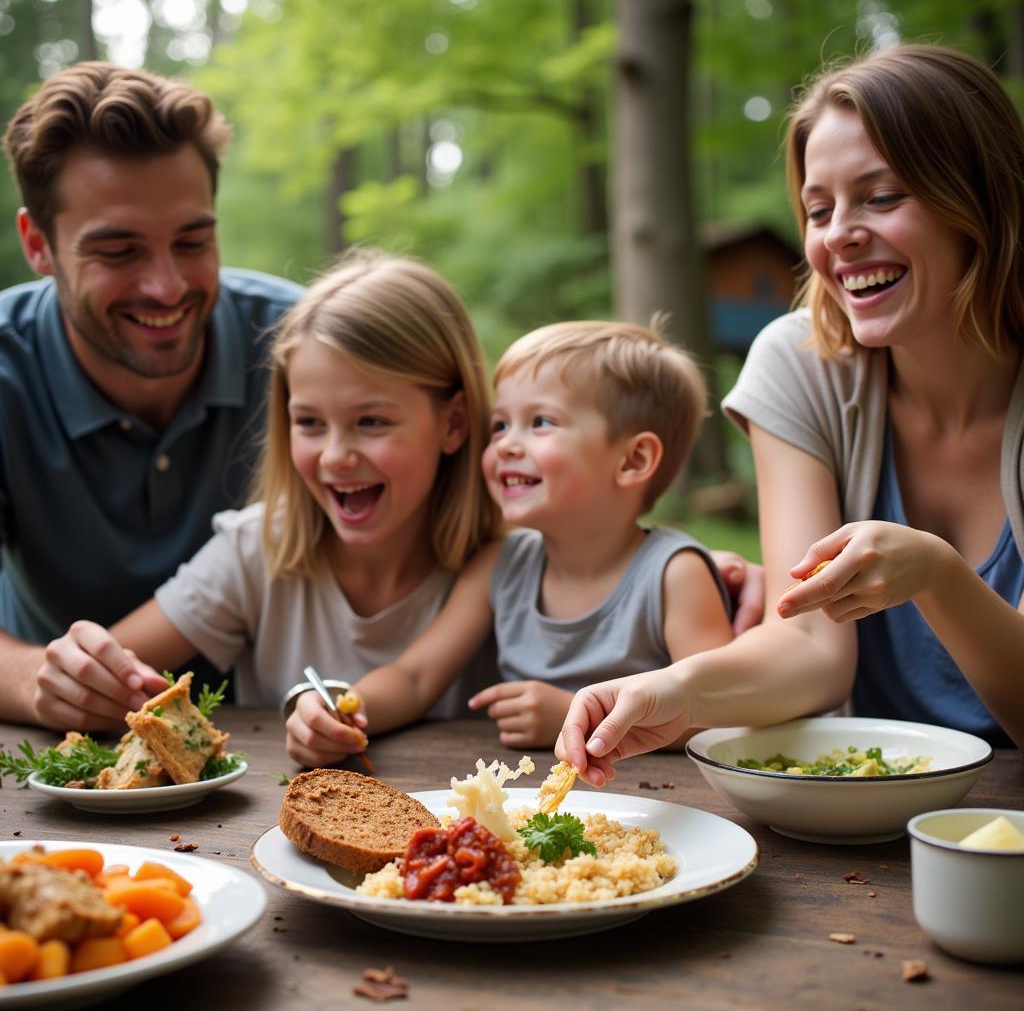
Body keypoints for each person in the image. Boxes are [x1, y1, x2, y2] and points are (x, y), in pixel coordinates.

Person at [558, 43, 1024, 785]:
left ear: (979, 200)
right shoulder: (798, 363)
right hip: (864, 816)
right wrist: (675, 690)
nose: (837, 234)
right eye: (818, 208)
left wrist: (937, 575)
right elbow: (806, 645)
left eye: (882, 196)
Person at [38, 251, 505, 731]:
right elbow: (104, 674)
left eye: (371, 421)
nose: (333, 456)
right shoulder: (255, 550)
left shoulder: (519, 561)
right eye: (309, 422)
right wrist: (83, 672)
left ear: (454, 423)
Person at [0, 62, 304, 729]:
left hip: (285, 734)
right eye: (119, 251)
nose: (166, 288)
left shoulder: (307, 347)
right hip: (60, 760)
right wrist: (35, 680)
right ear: (38, 245)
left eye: (193, 242)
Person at [286, 320, 735, 766]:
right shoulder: (502, 563)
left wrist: (571, 714)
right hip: (525, 800)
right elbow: (416, 677)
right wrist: (345, 707)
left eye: (539, 422)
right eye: (500, 425)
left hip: (657, 805)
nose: (505, 445)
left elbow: (716, 712)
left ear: (633, 459)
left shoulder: (674, 574)